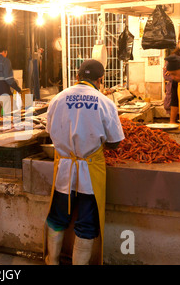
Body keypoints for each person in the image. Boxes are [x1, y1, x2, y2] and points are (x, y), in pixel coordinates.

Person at [44, 59, 124, 265]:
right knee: (87, 223)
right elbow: (115, 143)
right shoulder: (105, 102)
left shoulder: (58, 99)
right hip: (90, 172)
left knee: (57, 217)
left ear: (77, 77)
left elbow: (49, 132)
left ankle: (52, 261)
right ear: (100, 80)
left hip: (63, 169)